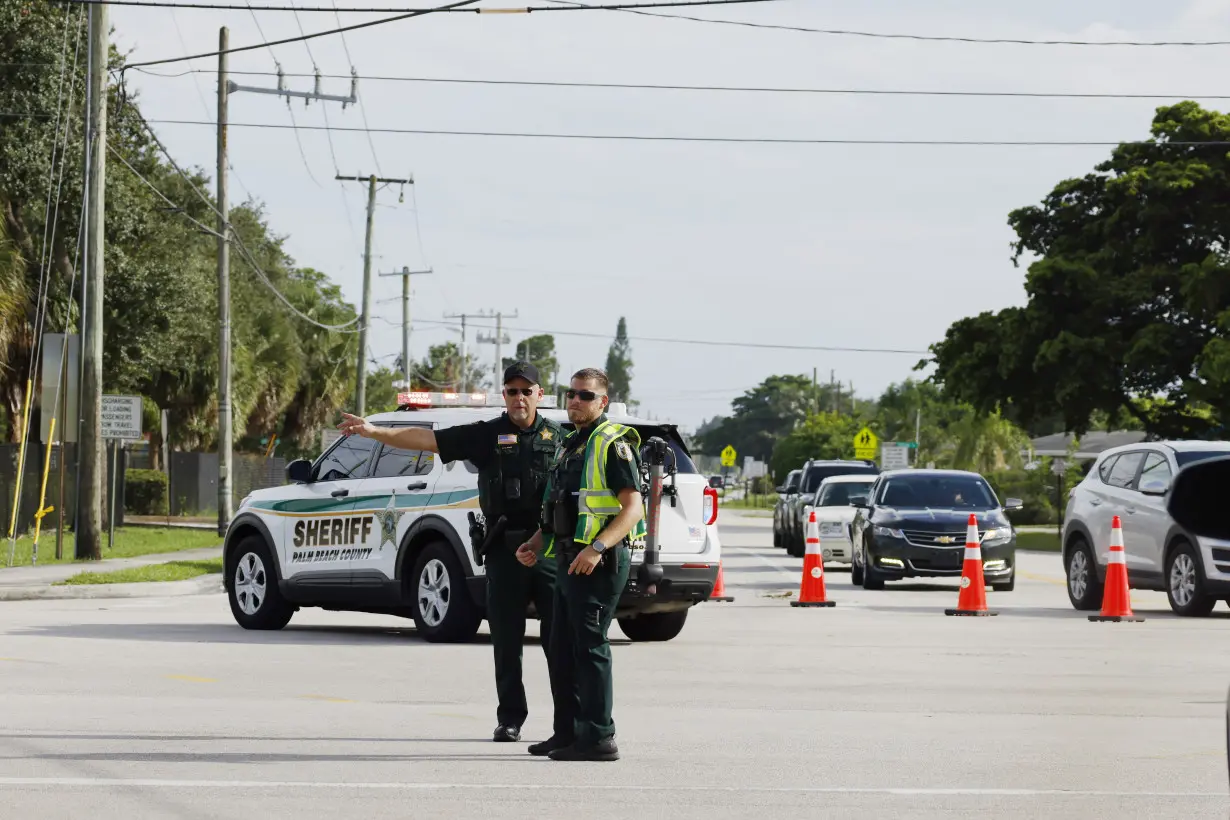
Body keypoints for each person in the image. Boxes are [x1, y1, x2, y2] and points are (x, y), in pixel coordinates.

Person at [336, 362, 568, 746]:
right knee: (506, 640)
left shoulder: (560, 438)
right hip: (503, 546)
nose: (519, 398)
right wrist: (375, 431)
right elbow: (428, 441)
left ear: (540, 395)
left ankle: (566, 723)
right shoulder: (487, 434)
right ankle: (510, 718)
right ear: (505, 396)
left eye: (527, 391)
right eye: (512, 391)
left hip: (546, 547)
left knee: (558, 640)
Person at [515, 368, 646, 762]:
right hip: (569, 558)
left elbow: (632, 508)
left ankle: (599, 736)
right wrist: (536, 543)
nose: (575, 401)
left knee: (590, 646)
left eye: (585, 396)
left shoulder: (612, 442)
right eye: (570, 394)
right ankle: (568, 731)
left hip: (599, 562)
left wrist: (598, 547)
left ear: (602, 402)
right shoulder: (571, 443)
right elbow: (563, 507)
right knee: (561, 646)